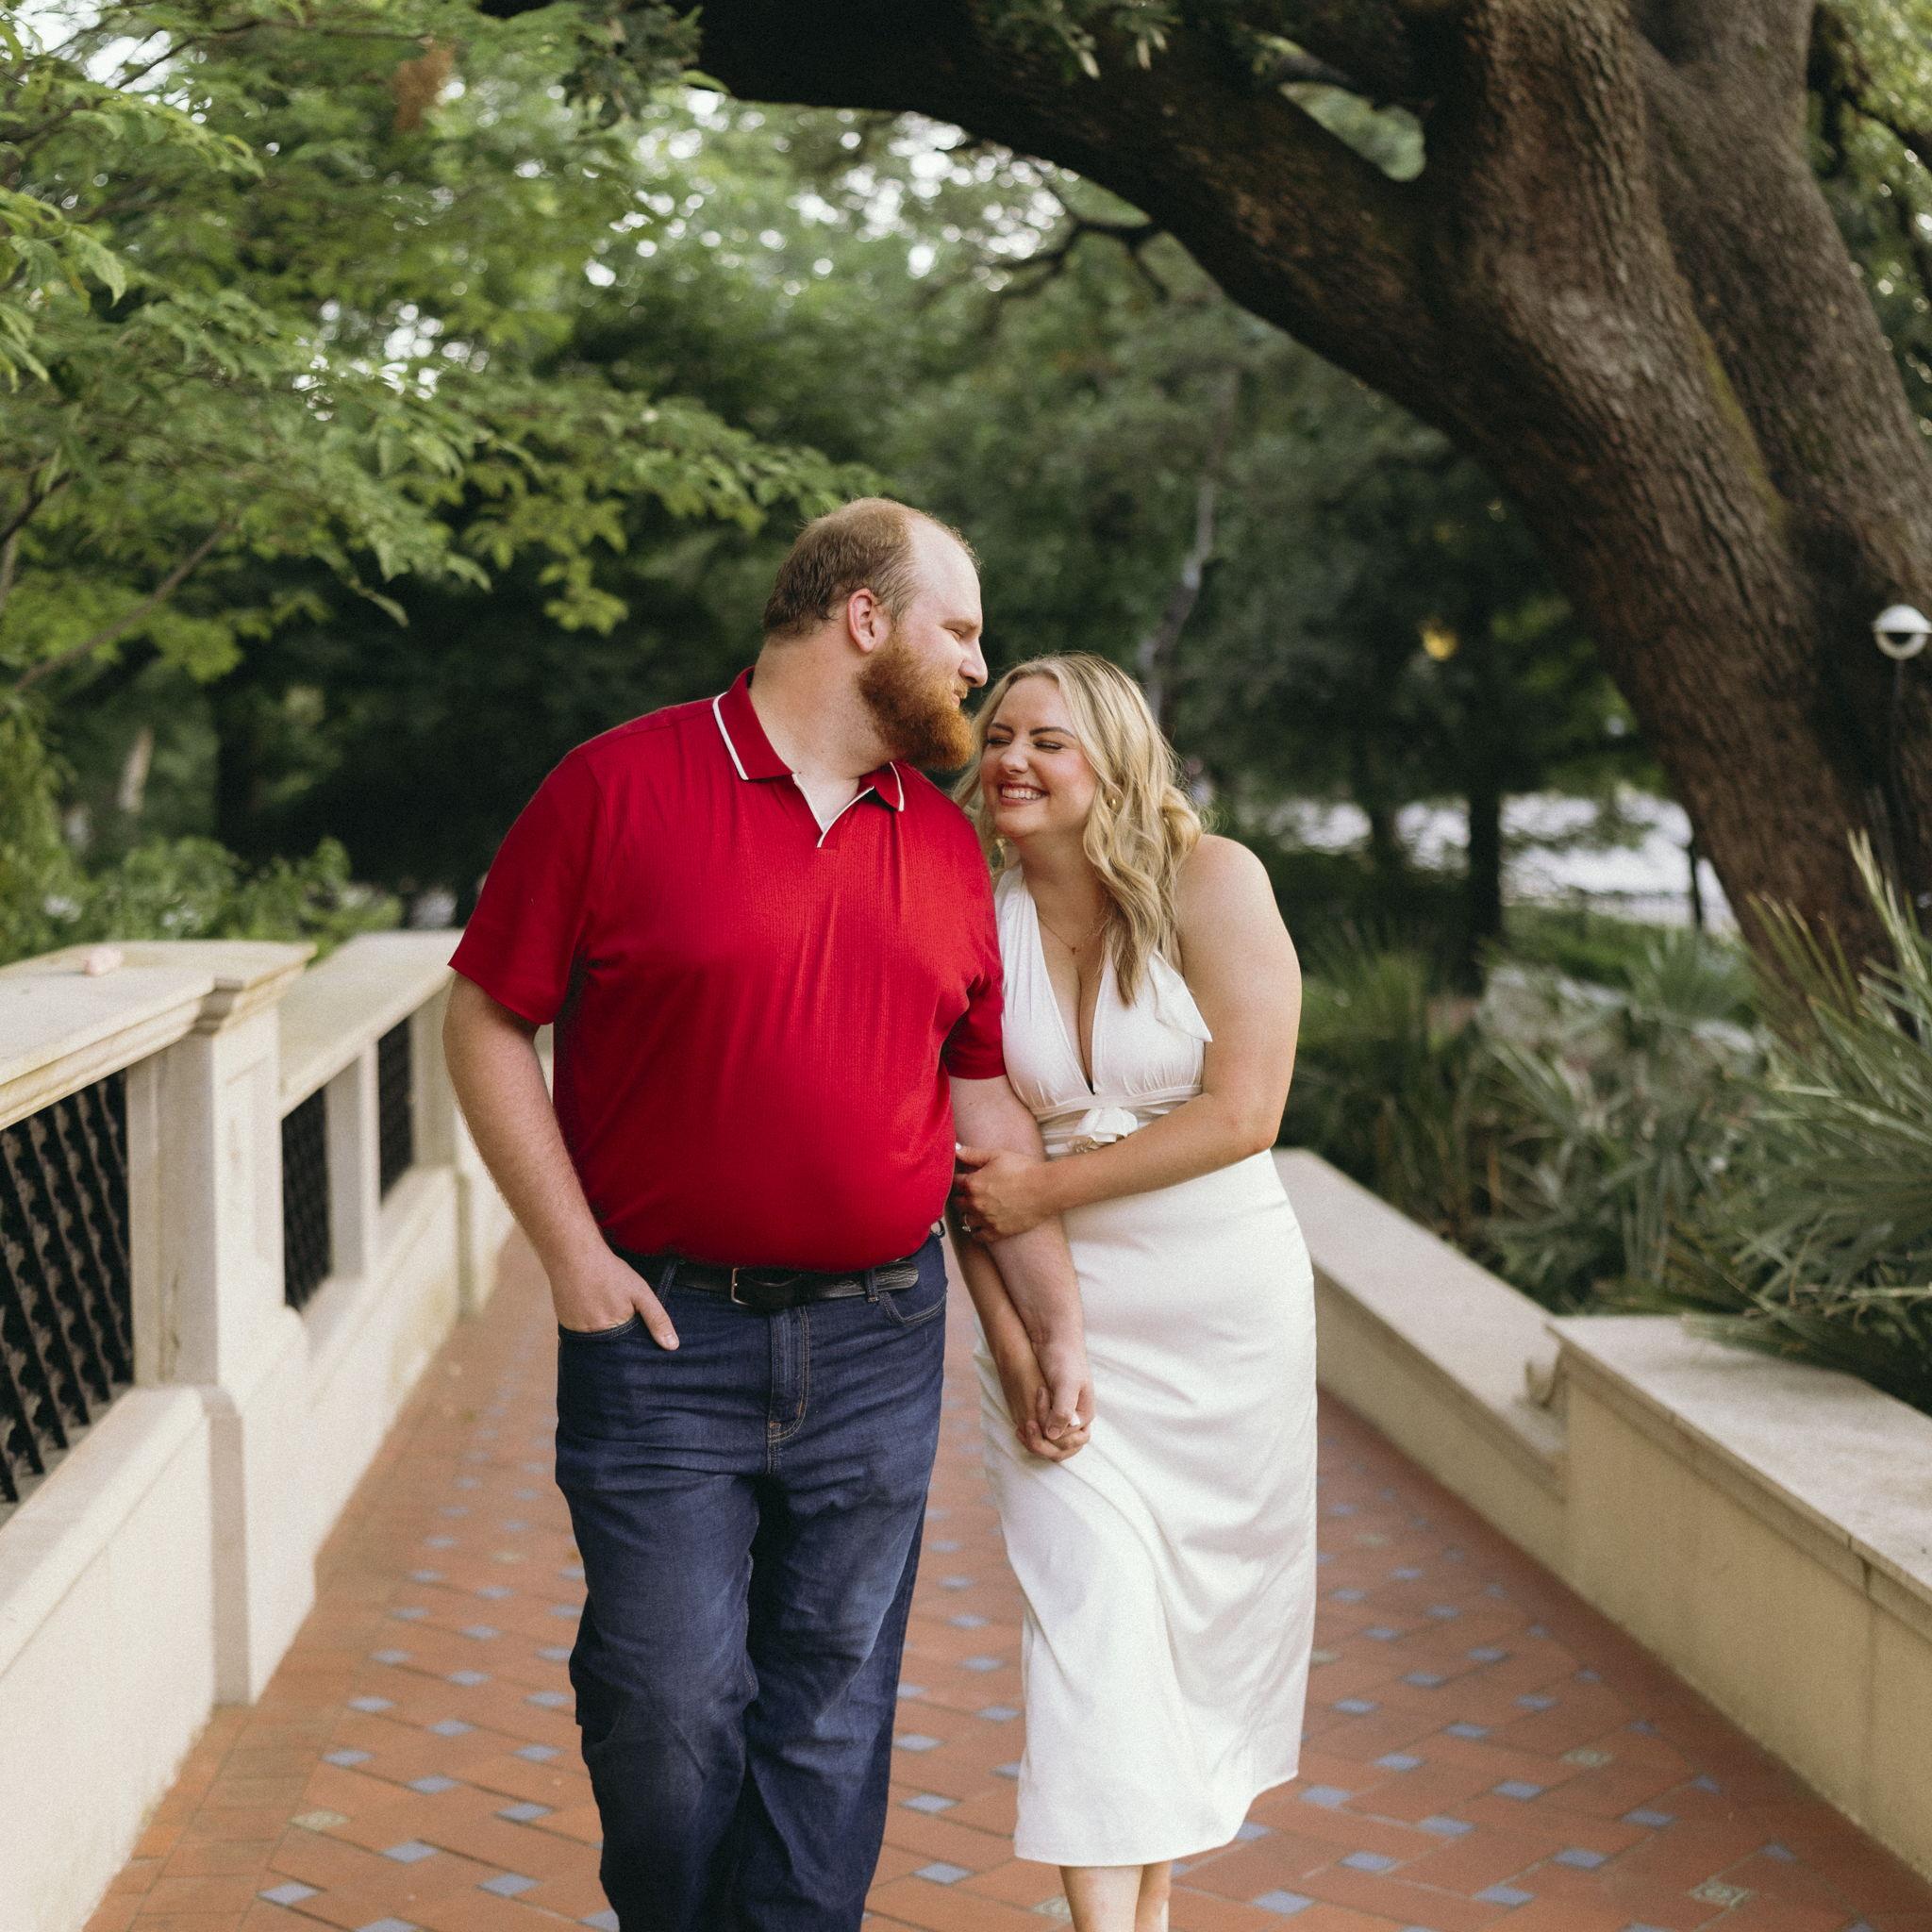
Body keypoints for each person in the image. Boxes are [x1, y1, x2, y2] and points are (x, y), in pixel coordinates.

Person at [441, 498, 1094, 1932]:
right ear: (864, 618)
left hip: (880, 1341)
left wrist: (1054, 1326)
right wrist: (572, 1259)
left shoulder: (942, 844)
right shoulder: (617, 787)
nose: (977, 667)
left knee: (831, 1706)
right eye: (959, 630)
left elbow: (983, 1109)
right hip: (663, 1341)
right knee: (666, 1702)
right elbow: (486, 1019)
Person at [948, 653, 1315, 1932]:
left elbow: (1246, 1110)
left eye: (1047, 740)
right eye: (1000, 736)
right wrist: (1015, 1346)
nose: (1012, 760)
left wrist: (1043, 1189)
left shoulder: (1215, 881)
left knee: (1176, 1647)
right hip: (1054, 1304)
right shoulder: (967, 911)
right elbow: (969, 1172)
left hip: (1223, 1314)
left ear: (1113, 757)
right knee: (1091, 1623)